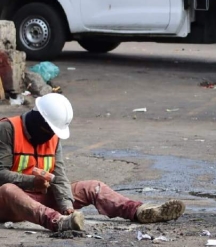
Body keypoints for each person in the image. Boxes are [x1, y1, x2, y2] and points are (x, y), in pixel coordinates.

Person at [0, 94, 186, 232]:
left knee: (93, 187)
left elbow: (59, 176)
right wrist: (32, 182)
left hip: (38, 198)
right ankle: (57, 222)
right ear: (39, 120)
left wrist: (66, 205)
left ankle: (138, 211)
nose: (51, 136)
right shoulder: (8, 129)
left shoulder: (53, 137)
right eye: (49, 131)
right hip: (8, 202)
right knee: (8, 189)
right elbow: (1, 173)